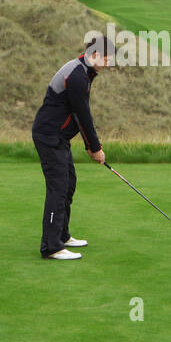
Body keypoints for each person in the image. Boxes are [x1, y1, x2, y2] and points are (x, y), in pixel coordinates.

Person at [31, 34, 115, 260]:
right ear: (95, 54)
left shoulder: (84, 70)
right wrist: (95, 148)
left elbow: (78, 114)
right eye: (106, 58)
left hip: (59, 137)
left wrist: (90, 146)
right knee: (58, 188)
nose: (109, 63)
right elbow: (82, 115)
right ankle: (51, 247)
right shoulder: (77, 75)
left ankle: (62, 235)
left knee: (68, 184)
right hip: (49, 136)